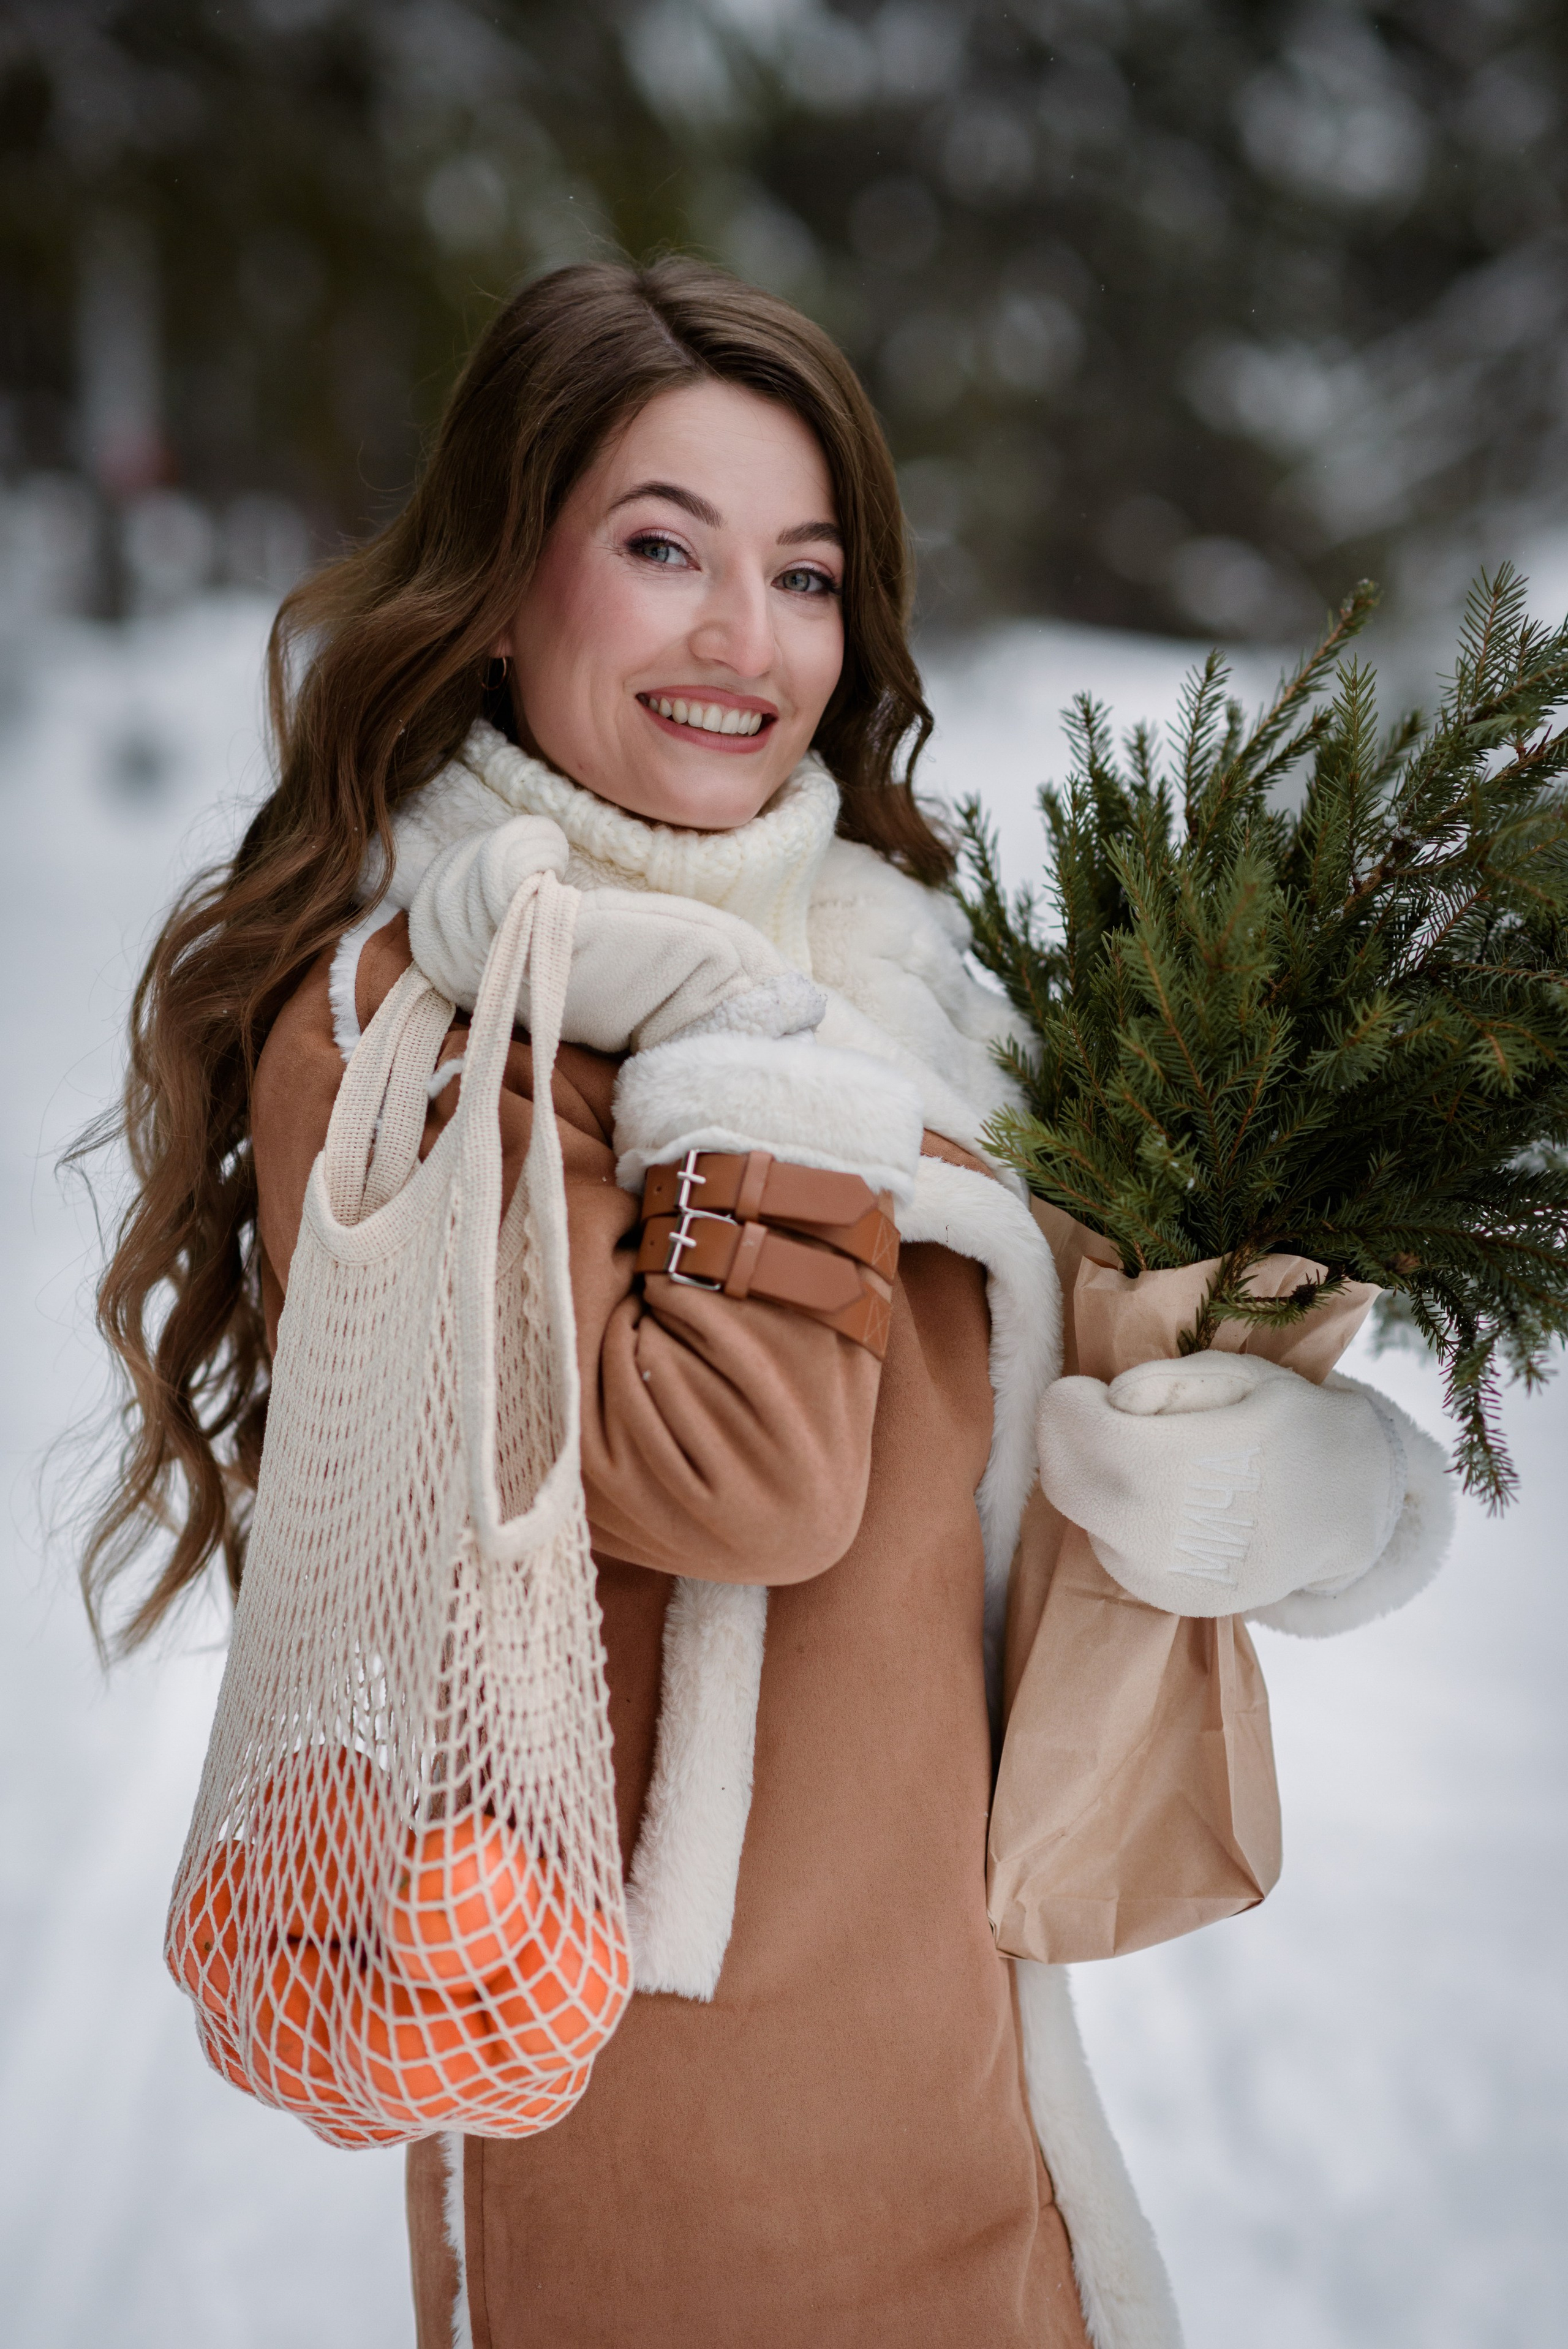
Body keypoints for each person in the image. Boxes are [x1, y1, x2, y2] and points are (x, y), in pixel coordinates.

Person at [85, 258, 1454, 2349]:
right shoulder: (424, 1023)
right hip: (670, 2127)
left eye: (804, 574)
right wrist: (741, 1050)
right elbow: (744, 1479)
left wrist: (1291, 1480)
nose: (748, 639)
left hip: (965, 2070)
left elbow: (1037, 1407)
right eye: (665, 549)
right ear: (503, 577)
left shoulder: (894, 966)